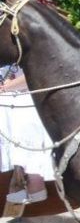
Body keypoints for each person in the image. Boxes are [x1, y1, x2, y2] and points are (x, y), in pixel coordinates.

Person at [0, 64, 53, 205]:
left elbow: (35, 72)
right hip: (9, 92)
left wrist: (6, 87)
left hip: (26, 94)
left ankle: (29, 180)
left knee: (23, 116)